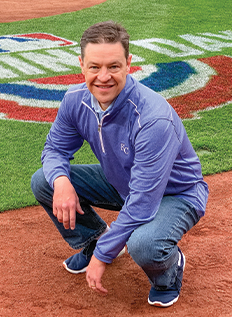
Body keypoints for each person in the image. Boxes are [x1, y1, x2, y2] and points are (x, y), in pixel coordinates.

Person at [30, 20, 209, 308]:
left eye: (113, 66)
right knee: (46, 181)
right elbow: (54, 149)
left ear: (129, 64)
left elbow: (142, 203)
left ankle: (170, 271)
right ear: (81, 65)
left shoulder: (152, 119)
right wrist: (61, 182)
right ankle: (93, 238)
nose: (103, 77)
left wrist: (105, 255)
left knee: (144, 244)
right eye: (94, 67)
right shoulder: (75, 101)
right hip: (123, 182)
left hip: (175, 194)